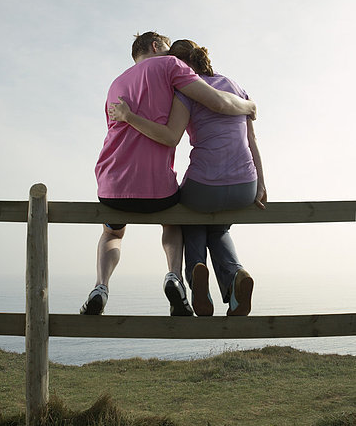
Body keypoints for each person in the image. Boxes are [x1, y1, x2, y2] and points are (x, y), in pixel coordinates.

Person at [80, 32, 257, 317]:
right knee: (174, 221)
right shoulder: (171, 67)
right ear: (155, 46)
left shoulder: (115, 83)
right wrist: (249, 106)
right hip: (158, 188)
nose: (171, 53)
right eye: (166, 47)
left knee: (112, 233)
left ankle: (100, 287)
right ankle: (174, 275)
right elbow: (218, 103)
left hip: (111, 184)